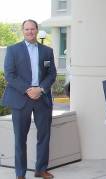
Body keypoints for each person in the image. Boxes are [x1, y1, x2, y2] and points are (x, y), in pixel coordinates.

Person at [2, 19, 57, 179]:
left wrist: (40, 89)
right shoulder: (13, 50)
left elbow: (51, 73)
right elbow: (9, 75)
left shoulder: (47, 51)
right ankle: (20, 173)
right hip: (21, 98)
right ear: (22, 31)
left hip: (42, 97)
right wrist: (28, 89)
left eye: (32, 29)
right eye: (27, 29)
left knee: (44, 135)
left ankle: (41, 170)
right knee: (20, 138)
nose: (30, 32)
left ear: (37, 30)